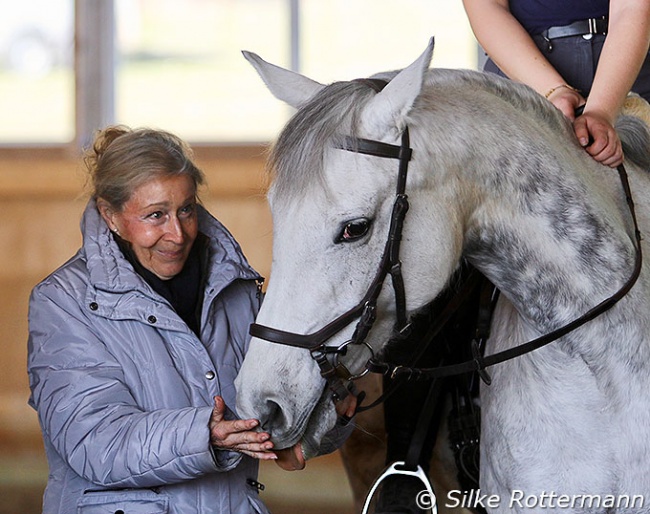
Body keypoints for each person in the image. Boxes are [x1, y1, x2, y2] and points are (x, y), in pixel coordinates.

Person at [377, 2, 650, 513]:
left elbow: (634, 13)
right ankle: (405, 467)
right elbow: (487, 10)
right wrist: (555, 95)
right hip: (518, 98)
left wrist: (602, 111)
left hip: (632, 92)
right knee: (430, 260)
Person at [26, 126, 354, 514]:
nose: (177, 234)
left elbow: (274, 412)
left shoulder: (237, 289)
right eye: (155, 215)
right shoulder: (62, 303)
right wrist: (204, 436)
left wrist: (325, 420)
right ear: (110, 215)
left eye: (186, 209)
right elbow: (95, 442)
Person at [463, 0, 650, 168]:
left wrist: (602, 111)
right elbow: (486, 6)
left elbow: (632, 7)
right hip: (519, 67)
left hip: (624, 67)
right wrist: (553, 92)